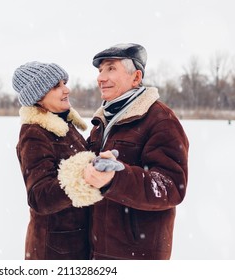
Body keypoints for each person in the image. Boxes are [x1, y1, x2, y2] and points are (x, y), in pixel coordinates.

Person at [59, 43, 189, 259]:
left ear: (136, 77)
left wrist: (116, 178)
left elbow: (171, 186)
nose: (101, 77)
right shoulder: (103, 120)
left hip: (136, 255)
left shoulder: (160, 120)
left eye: (110, 68)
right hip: (98, 250)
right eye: (100, 71)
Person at [13, 61, 91, 260]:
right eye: (57, 86)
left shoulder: (64, 125)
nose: (67, 89)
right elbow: (39, 197)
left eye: (64, 82)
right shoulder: (34, 133)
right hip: (55, 249)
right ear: (38, 97)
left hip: (78, 241)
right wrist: (83, 178)